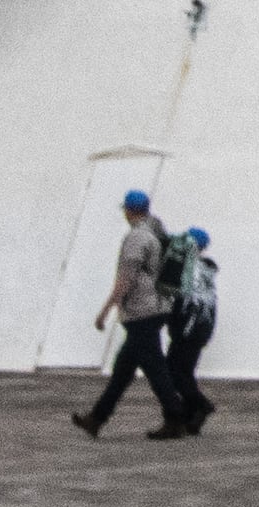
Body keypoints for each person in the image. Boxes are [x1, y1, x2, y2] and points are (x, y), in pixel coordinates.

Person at [75, 187, 194, 439]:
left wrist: (106, 310)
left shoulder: (137, 238)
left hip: (142, 311)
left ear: (129, 211)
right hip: (158, 306)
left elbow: (126, 278)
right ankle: (96, 418)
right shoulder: (157, 230)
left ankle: (177, 417)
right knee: (123, 370)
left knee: (155, 368)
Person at [164, 227, 222, 428]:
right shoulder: (206, 272)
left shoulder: (190, 268)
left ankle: (200, 404)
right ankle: (192, 416)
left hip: (187, 329)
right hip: (202, 328)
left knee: (173, 371)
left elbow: (179, 297)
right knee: (185, 371)